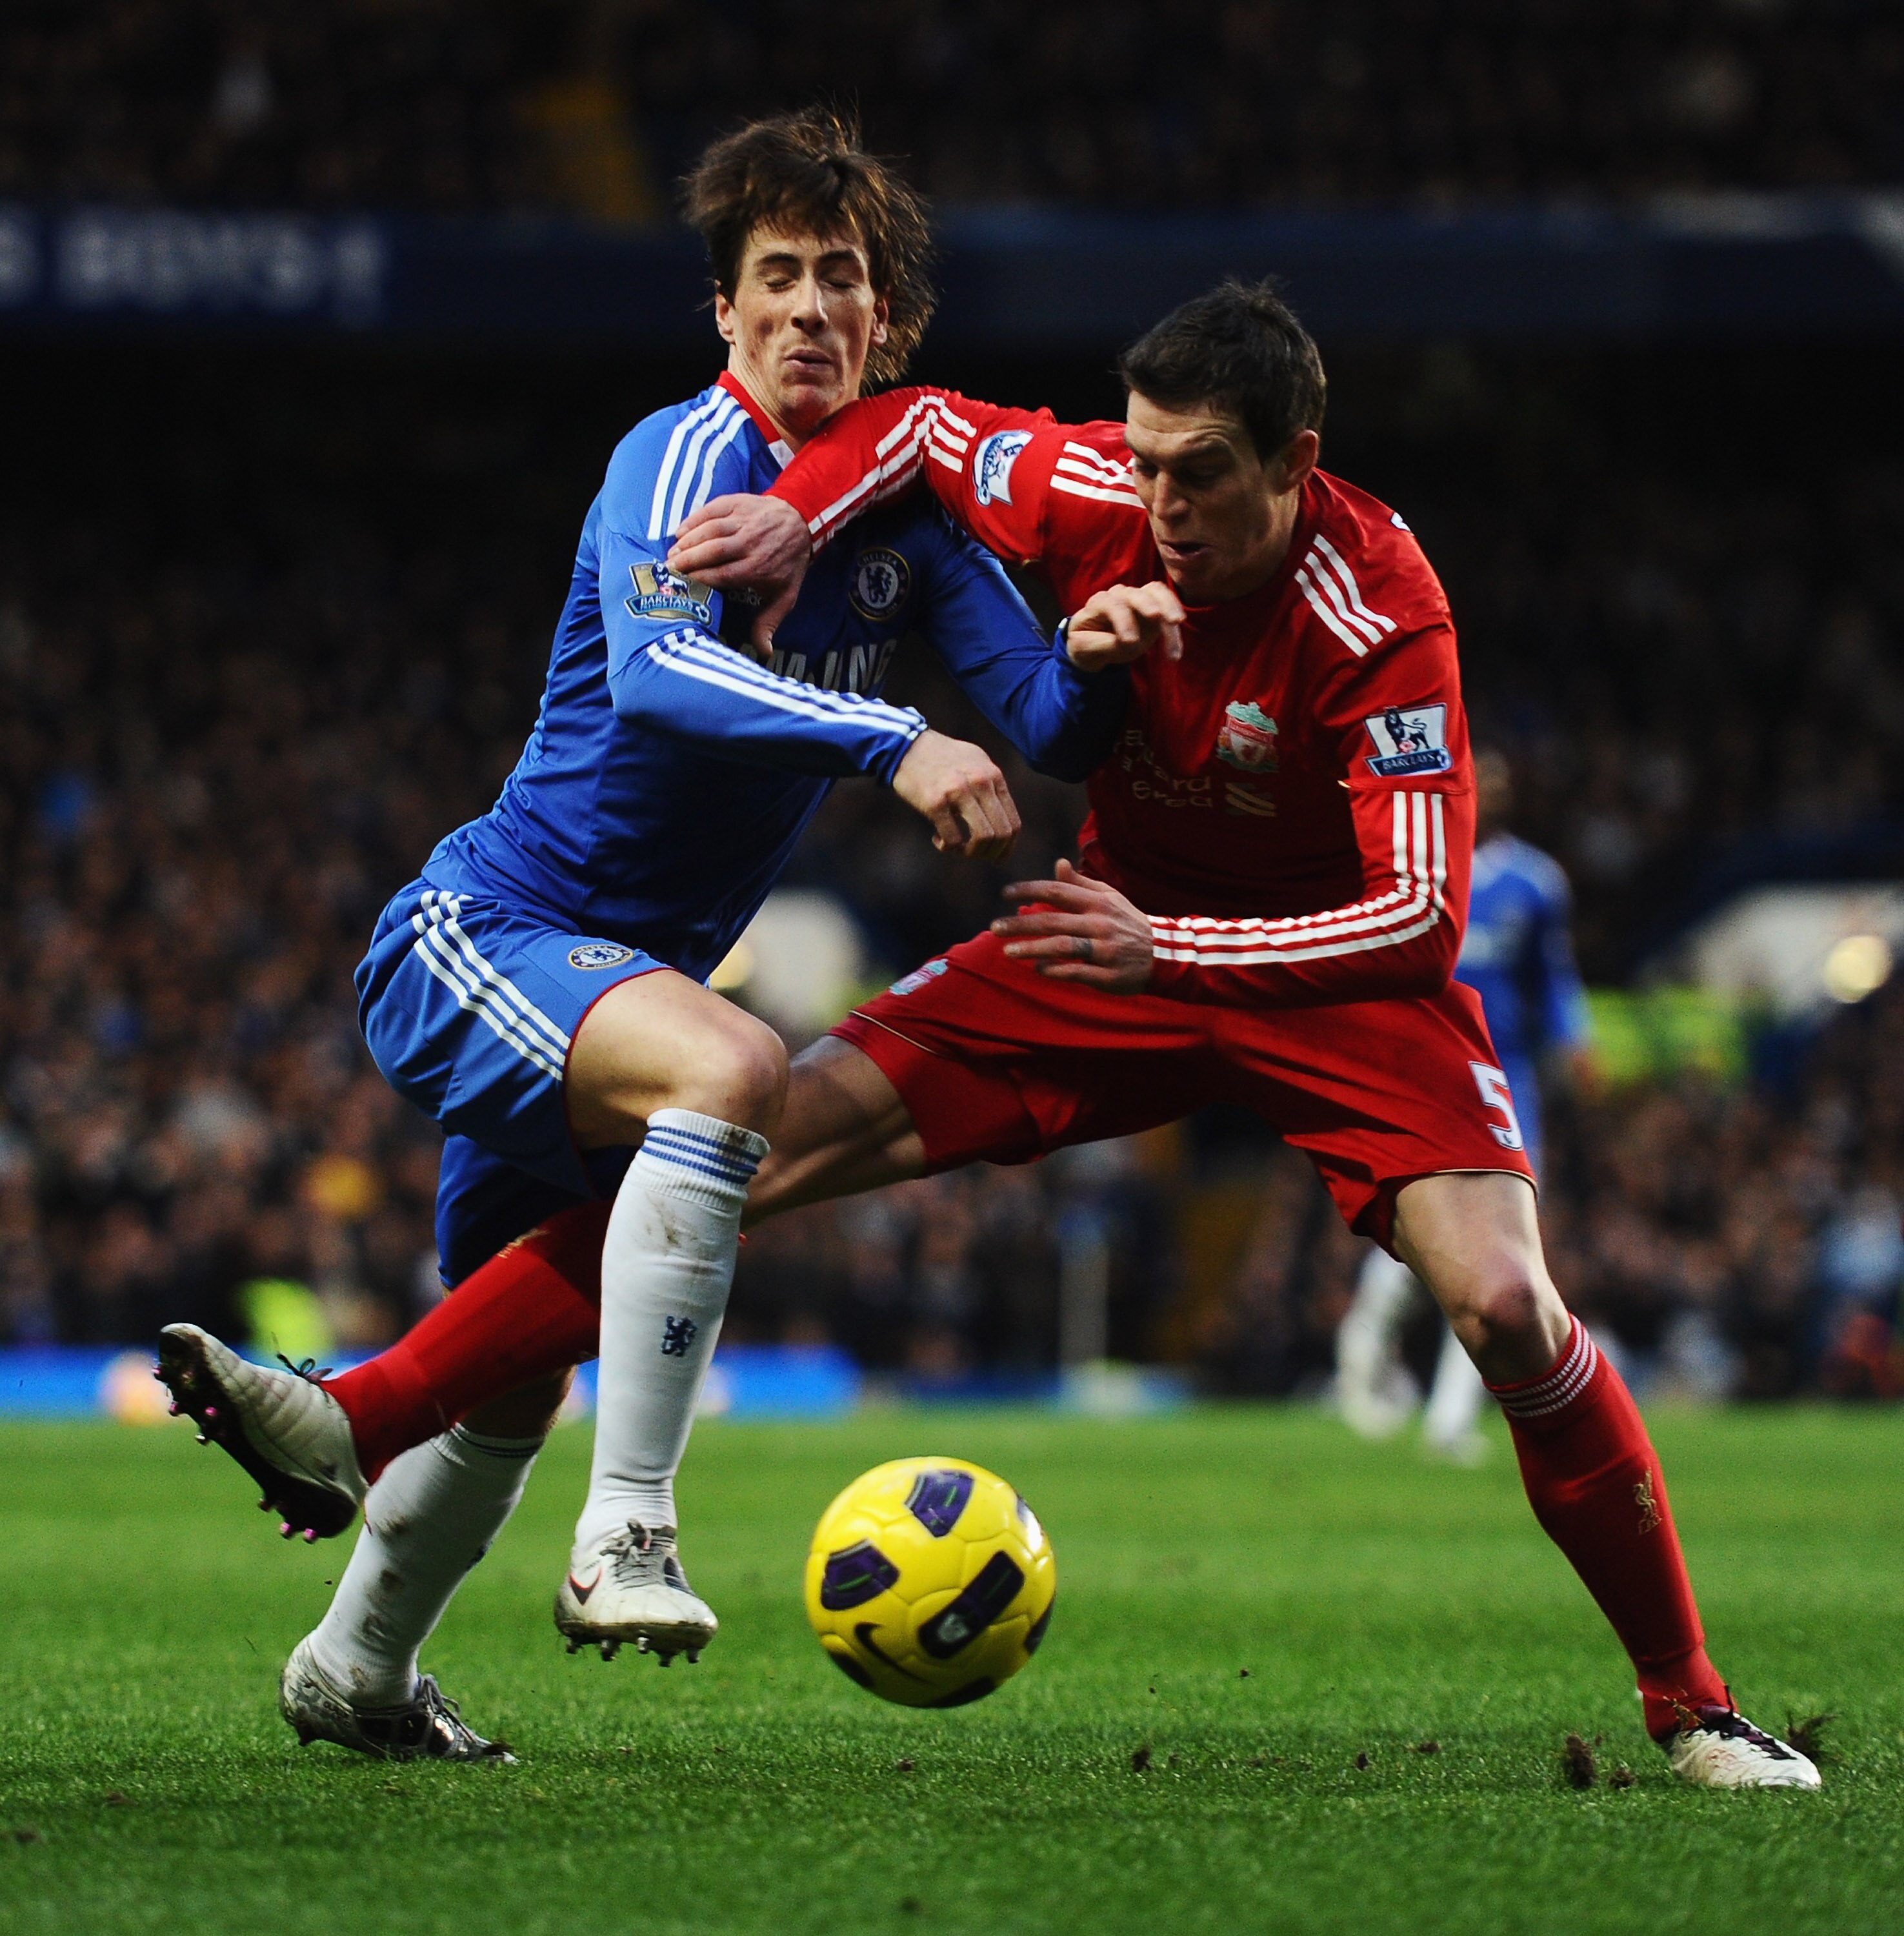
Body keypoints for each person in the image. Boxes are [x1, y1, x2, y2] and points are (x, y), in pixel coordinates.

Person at [170, 279, 1819, 1789]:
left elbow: (1417, 921)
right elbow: (915, 424)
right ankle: (364, 1406)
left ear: (1296, 463)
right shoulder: (1093, 488)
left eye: (1204, 476)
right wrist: (794, 515)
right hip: (1096, 946)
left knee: (1507, 1304)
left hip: (1322, 984)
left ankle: (1689, 1704)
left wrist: (1168, 943)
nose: (1160, 506)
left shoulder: (1380, 609)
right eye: (1149, 460)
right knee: (741, 1138)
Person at [155, 110, 1130, 1762]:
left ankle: (356, 1669)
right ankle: (630, 1525)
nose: (814, 308)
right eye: (778, 279)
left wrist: (1107, 656)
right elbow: (667, 672)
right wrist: (892, 743)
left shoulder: (914, 532)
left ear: (889, 324)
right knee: (739, 1067)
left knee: (508, 1370)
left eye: (844, 279)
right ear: (727, 315)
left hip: (618, 993)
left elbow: (1041, 716)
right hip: (487, 927)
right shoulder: (679, 456)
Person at [1337, 747, 1593, 1461]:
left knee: (1504, 1264)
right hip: (1420, 1074)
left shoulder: (1535, 883)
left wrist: (1576, 1040)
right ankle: (1360, 1353)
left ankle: (1450, 1417)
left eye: (1502, 782)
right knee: (1416, 1244)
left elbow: (1554, 981)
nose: (1492, 794)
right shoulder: (1410, 866)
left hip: (1505, 1085)